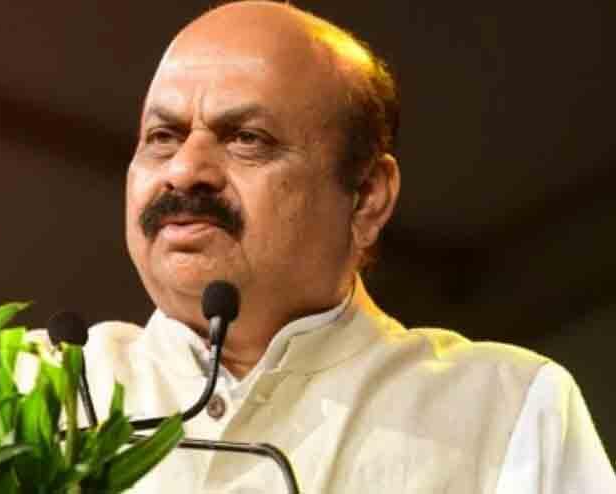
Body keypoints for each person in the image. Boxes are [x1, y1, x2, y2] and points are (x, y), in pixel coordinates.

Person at [80, 1, 616, 493]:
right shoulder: (46, 387)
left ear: (366, 198)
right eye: (163, 137)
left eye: (247, 139)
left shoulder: (503, 409)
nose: (184, 170)